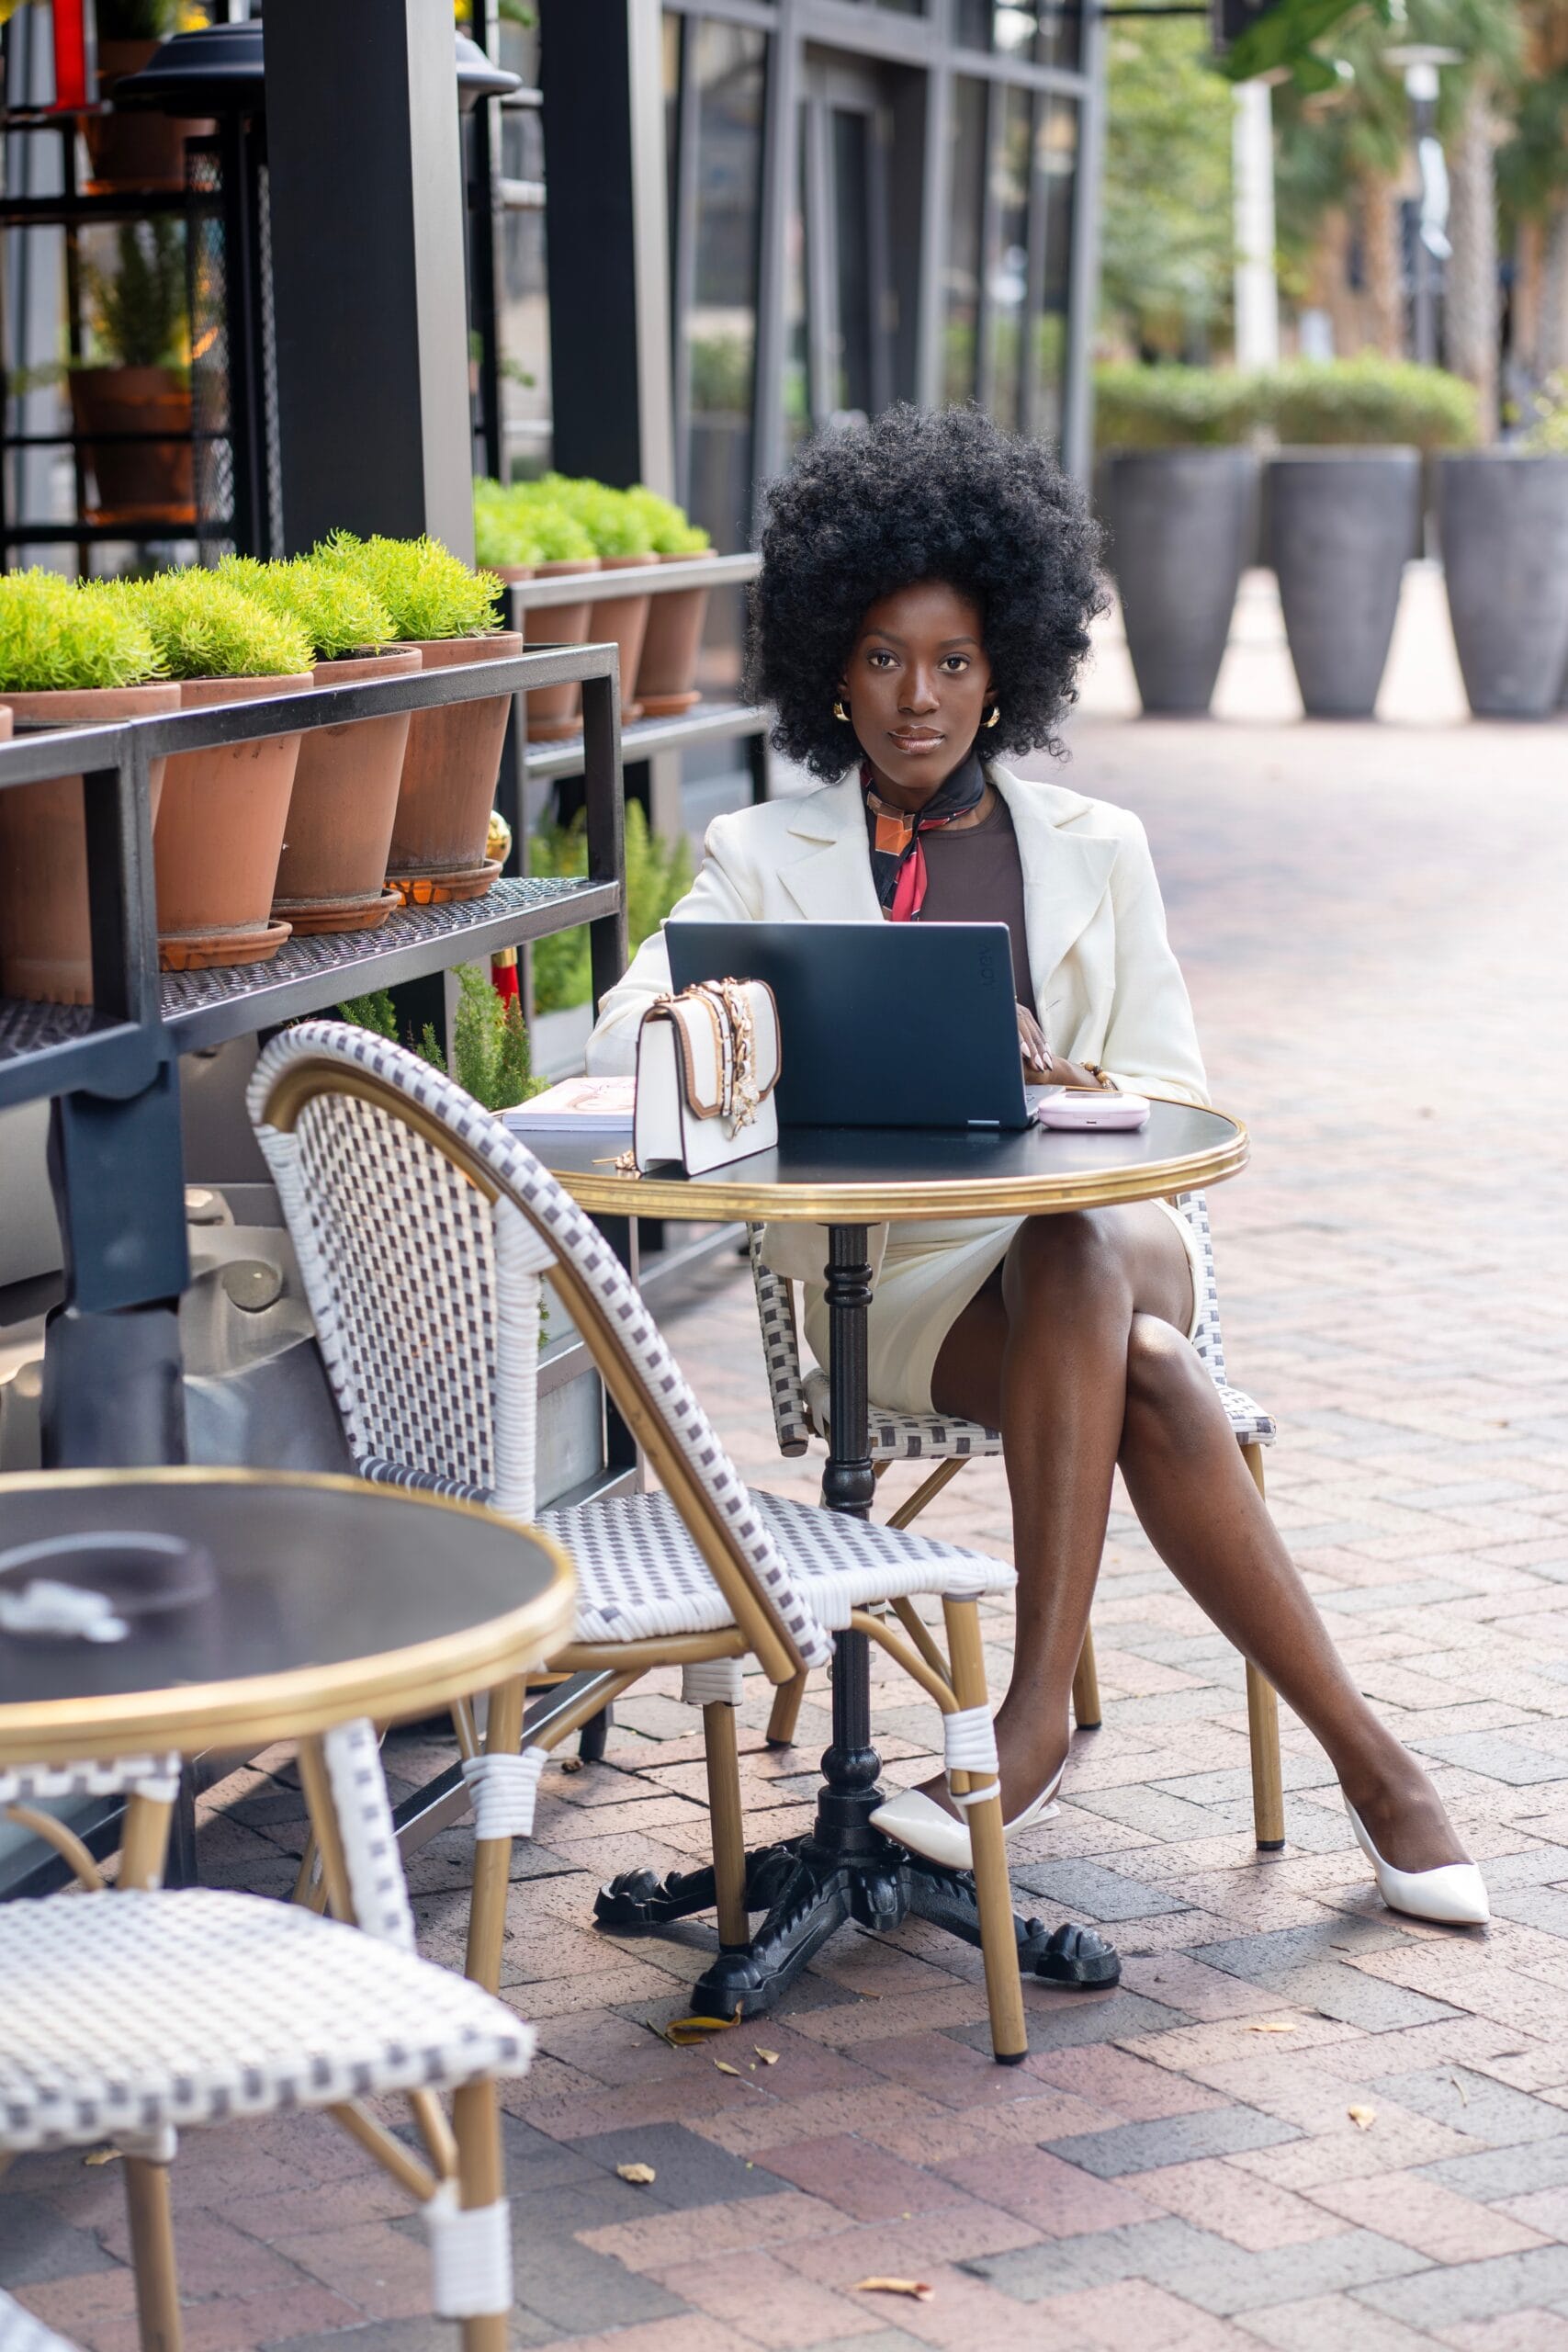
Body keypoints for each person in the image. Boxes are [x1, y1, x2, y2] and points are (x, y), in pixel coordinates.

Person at [587, 404, 1486, 1928]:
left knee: (1074, 1241)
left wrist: (1070, 1084)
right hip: (905, 1289)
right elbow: (627, 1039)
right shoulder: (761, 857)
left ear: (1005, 665)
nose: (917, 698)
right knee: (1159, 1381)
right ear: (831, 670)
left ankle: (1034, 1714)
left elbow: (1176, 1092)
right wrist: (780, 1024)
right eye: (883, 658)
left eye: (952, 662)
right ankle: (1376, 1769)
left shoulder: (1096, 845)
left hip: (1114, 1232)